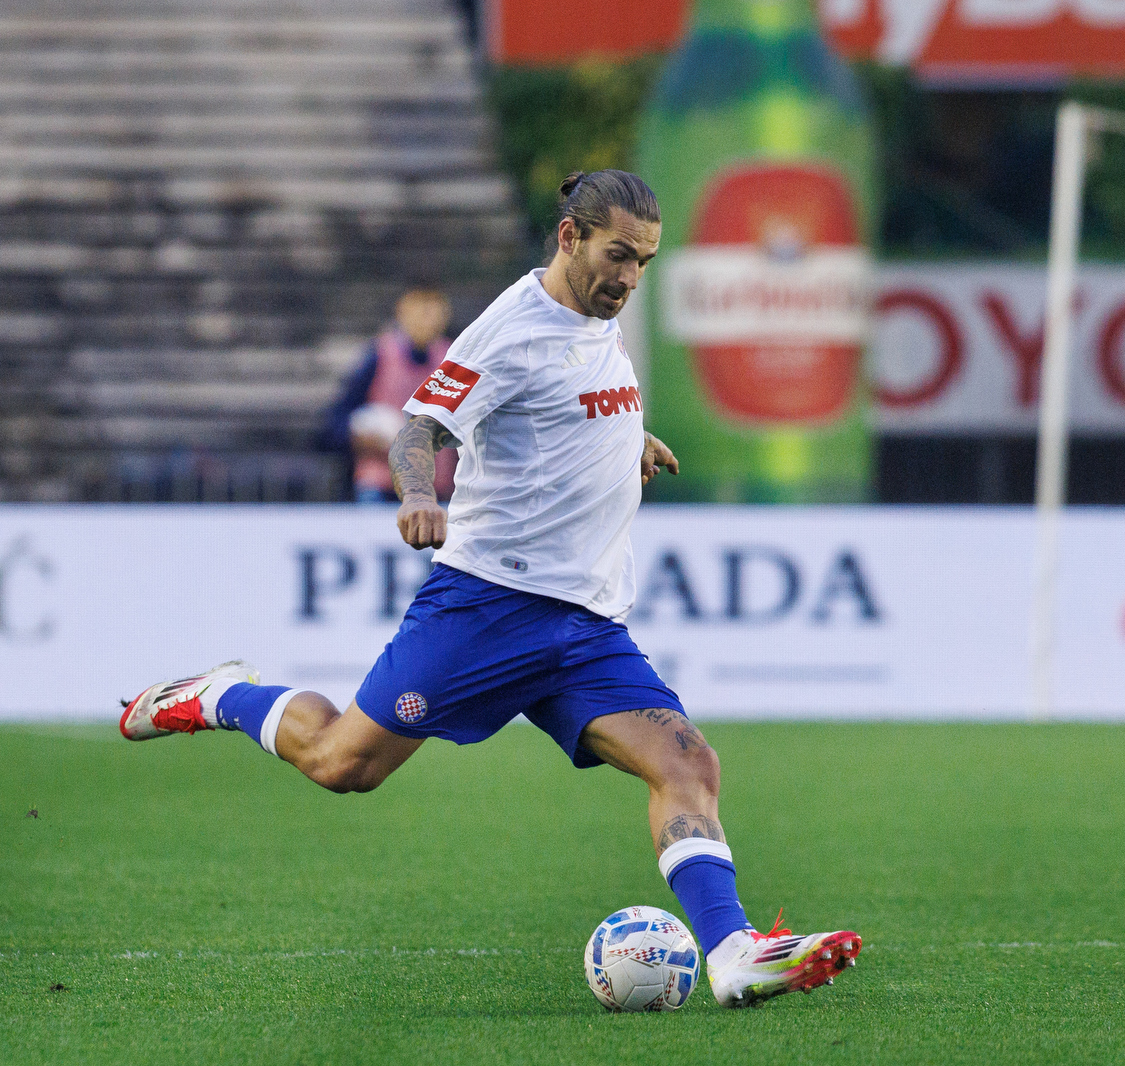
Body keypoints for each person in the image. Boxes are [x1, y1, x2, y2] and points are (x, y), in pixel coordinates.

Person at [119, 170, 862, 1005]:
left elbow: (569, 403)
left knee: (688, 762)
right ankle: (223, 695)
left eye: (645, 262)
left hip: (585, 623)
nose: (630, 278)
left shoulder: (597, 314)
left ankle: (733, 953)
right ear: (570, 238)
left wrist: (627, 443)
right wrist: (416, 493)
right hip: (486, 607)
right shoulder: (509, 329)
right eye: (619, 256)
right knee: (342, 764)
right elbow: (418, 426)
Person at [321, 288, 458, 503]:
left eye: (435, 310)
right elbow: (336, 420)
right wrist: (360, 438)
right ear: (402, 311)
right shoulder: (379, 355)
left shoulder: (453, 358)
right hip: (380, 487)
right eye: (421, 309)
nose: (428, 318)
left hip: (435, 489)